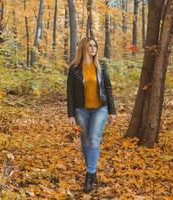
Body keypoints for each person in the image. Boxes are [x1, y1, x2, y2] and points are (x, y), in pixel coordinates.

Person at [66, 37, 116, 193]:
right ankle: (92, 172)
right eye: (90, 46)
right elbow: (70, 93)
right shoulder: (74, 69)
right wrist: (70, 114)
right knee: (86, 141)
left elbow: (108, 88)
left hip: (100, 109)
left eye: (95, 45)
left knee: (94, 139)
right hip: (81, 110)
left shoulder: (101, 66)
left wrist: (112, 111)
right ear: (83, 48)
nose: (93, 48)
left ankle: (89, 174)